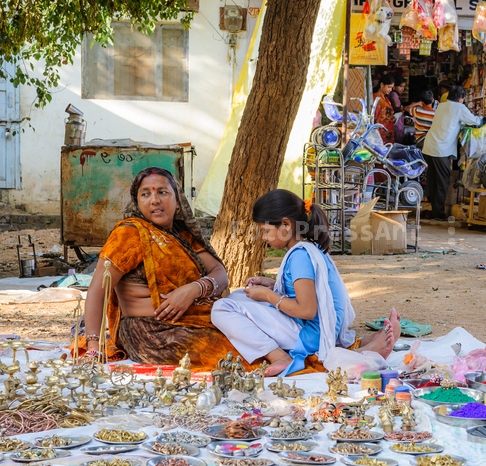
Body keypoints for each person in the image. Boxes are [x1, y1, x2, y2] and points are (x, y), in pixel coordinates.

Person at [211, 189, 401, 376]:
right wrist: (272, 284)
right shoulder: (307, 248)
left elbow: (307, 310)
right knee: (238, 297)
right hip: (326, 327)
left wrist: (268, 295)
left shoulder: (299, 256)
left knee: (222, 308)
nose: (264, 238)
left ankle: (279, 357)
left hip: (311, 334)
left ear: (285, 225)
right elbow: (305, 289)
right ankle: (366, 342)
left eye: (266, 231)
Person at [79, 167, 245, 371]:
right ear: (138, 203)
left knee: (256, 333)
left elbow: (219, 272)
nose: (154, 200)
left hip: (198, 319)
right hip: (152, 331)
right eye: (145, 194)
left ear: (178, 201)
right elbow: (98, 289)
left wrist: (194, 289)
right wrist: (94, 345)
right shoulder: (130, 234)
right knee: (239, 355)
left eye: (162, 192)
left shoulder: (182, 235)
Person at [423, 86, 485, 221]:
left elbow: (452, 122)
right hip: (441, 150)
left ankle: (434, 210)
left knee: (433, 180)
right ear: (460, 98)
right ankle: (438, 214)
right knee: (443, 181)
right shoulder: (459, 107)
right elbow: (475, 121)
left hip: (429, 147)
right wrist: (484, 120)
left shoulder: (441, 106)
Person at [372, 74, 395, 144]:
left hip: (387, 131)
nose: (390, 90)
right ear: (382, 85)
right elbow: (374, 116)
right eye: (389, 87)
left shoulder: (385, 98)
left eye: (392, 88)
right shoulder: (377, 98)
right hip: (380, 132)